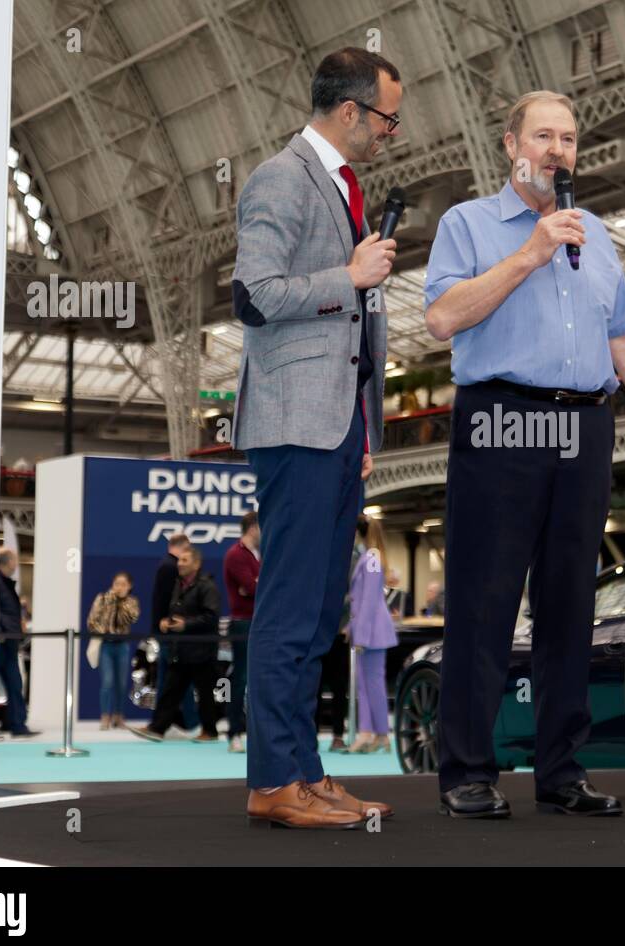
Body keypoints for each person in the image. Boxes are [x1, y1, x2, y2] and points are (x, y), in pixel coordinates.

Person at [423, 90, 625, 819]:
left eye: (570, 139)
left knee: (569, 605)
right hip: (502, 421)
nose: (558, 150)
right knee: (485, 602)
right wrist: (531, 252)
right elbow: (441, 318)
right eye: (544, 136)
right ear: (510, 144)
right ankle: (466, 770)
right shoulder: (470, 225)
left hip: (584, 427)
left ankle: (561, 770)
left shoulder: (598, 236)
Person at [230, 47, 401, 829]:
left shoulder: (340, 188)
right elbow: (255, 296)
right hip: (295, 424)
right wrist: (351, 277)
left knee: (317, 610)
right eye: (386, 118)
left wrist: (368, 420)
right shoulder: (280, 177)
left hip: (337, 426)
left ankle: (304, 769)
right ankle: (272, 781)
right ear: (350, 112)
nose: (390, 133)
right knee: (289, 609)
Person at [131, 545, 222, 742]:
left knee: (205, 693)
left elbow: (211, 617)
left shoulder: (207, 586)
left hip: (202, 651)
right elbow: (178, 612)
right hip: (181, 650)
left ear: (196, 564)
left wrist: (186, 625)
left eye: (184, 560)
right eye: (179, 560)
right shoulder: (178, 585)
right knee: (170, 691)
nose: (179, 564)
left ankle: (210, 732)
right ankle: (157, 729)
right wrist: (167, 621)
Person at [345, 517, 398, 753]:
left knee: (372, 683)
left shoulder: (372, 558)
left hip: (373, 631)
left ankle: (374, 733)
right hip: (369, 629)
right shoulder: (370, 557)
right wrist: (353, 628)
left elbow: (368, 600)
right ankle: (375, 733)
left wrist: (361, 635)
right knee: (366, 684)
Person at [151, 533, 198, 732]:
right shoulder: (171, 567)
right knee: (176, 679)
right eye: (185, 551)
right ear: (180, 547)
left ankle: (162, 723)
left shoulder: (166, 565)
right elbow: (169, 601)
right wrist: (169, 623)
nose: (184, 560)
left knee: (172, 679)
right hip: (170, 633)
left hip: (166, 631)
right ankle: (187, 722)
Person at [222, 511, 260, 753]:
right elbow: (251, 588)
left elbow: (259, 586)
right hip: (243, 623)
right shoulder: (236, 555)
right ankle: (233, 732)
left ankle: (249, 731)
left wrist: (257, 584)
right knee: (241, 679)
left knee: (255, 680)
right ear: (253, 527)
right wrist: (256, 585)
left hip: (257, 622)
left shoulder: (256, 555)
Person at [87, 571, 140, 730]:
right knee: (107, 681)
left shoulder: (132, 602)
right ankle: (105, 716)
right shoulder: (102, 599)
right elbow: (91, 621)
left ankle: (118, 716)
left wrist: (120, 602)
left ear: (129, 586)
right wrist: (103, 630)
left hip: (122, 645)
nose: (119, 587)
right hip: (106, 645)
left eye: (123, 584)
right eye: (117, 583)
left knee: (122, 683)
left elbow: (131, 618)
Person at [0, 548, 36, 738]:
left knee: (14, 683)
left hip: (9, 641)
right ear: (8, 562)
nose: (16, 564)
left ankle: (16, 724)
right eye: (15, 560)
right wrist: (0, 630)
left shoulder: (5, 583)